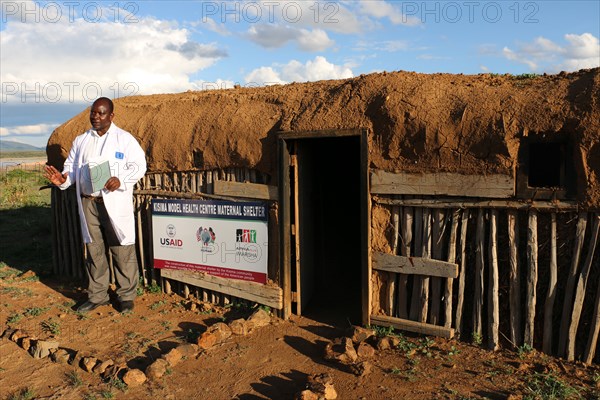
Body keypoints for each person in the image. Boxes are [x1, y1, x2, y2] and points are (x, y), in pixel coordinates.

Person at [44, 97, 147, 313]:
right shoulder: (81, 141)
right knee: (94, 249)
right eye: (93, 112)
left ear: (111, 116)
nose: (95, 117)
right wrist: (63, 181)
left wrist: (121, 178)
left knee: (122, 248)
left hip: (114, 202)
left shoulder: (124, 139)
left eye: (101, 113)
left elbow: (139, 165)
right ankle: (97, 295)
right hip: (88, 202)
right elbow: (71, 168)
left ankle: (126, 295)